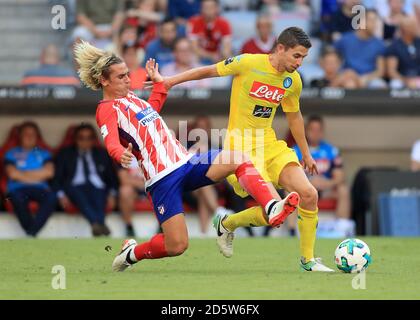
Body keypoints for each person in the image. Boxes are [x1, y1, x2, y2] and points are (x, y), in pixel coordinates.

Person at [73, 40, 299, 272]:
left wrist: (161, 85)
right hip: (162, 179)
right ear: (104, 80)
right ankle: (132, 253)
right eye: (121, 77)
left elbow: (152, 109)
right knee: (177, 245)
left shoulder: (131, 98)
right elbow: (110, 141)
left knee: (237, 158)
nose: (128, 80)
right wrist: (120, 153)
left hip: (186, 162)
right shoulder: (106, 109)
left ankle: (271, 206)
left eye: (128, 74)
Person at [158, 27, 335, 271]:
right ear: (280, 48)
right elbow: (207, 71)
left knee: (309, 195)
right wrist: (170, 81)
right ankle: (229, 223)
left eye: (304, 57)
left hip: (270, 145)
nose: (300, 63)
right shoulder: (248, 62)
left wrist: (305, 153)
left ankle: (308, 261)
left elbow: (294, 117)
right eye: (297, 56)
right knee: (275, 213)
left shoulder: (292, 80)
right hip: (240, 150)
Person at [293, 115, 355, 237]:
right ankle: (292, 231)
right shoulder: (295, 150)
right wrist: (309, 183)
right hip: (304, 191)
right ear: (306, 130)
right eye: (312, 130)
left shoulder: (331, 151)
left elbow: (339, 176)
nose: (315, 134)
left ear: (323, 132)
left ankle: (341, 229)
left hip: (326, 190)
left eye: (319, 130)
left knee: (343, 189)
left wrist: (326, 183)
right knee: (288, 192)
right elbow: (290, 176)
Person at [54, 124, 118, 236]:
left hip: (97, 187)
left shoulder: (102, 154)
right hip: (74, 187)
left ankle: (96, 225)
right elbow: (57, 178)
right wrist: (60, 195)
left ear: (94, 140)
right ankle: (99, 223)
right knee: (79, 194)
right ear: (75, 139)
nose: (85, 141)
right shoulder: (65, 154)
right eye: (81, 138)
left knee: (99, 192)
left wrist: (112, 194)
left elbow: (112, 177)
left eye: (89, 138)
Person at [4, 122, 56, 237]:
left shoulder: (44, 154)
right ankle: (32, 232)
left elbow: (50, 172)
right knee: (17, 198)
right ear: (20, 136)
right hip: (18, 188)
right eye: (26, 134)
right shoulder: (11, 154)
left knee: (51, 198)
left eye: (33, 134)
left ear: (37, 136)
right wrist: (38, 175)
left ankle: (31, 232)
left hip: (40, 188)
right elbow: (12, 174)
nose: (29, 137)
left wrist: (24, 174)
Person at [334, 9, 387, 88]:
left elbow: (380, 71)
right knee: (349, 84)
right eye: (371, 20)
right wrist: (344, 74)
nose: (375, 24)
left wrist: (366, 78)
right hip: (348, 76)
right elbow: (333, 60)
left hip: (369, 78)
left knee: (380, 85)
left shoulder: (379, 44)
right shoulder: (345, 40)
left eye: (376, 21)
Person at [187, 0, 232, 65]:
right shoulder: (193, 22)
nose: (208, 11)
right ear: (201, 9)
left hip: (217, 55)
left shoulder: (224, 24)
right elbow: (194, 47)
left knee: (228, 56)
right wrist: (210, 56)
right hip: (200, 55)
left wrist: (223, 55)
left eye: (211, 7)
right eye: (205, 7)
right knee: (192, 56)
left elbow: (226, 46)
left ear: (217, 8)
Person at [386, 16, 420, 89]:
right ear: (404, 29)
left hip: (417, 78)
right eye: (412, 26)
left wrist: (415, 80)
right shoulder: (394, 46)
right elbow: (391, 71)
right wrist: (405, 80)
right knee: (395, 85)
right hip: (401, 78)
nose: (416, 28)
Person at [118, 167, 147, 237]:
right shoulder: (125, 157)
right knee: (125, 191)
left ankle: (163, 225)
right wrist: (144, 184)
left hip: (152, 187)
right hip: (135, 189)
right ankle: (129, 227)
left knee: (164, 187)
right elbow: (124, 180)